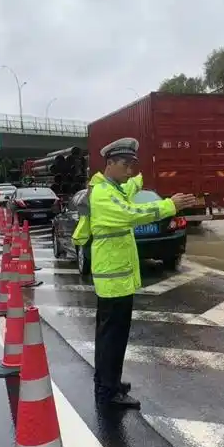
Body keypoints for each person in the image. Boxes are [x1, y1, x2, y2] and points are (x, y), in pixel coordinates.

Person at [72, 137, 196, 409]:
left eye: (132, 166)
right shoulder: (103, 195)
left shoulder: (113, 187)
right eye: (126, 165)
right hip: (113, 281)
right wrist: (170, 205)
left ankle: (108, 382)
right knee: (112, 338)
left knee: (112, 336)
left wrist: (146, 173)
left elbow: (131, 187)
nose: (129, 170)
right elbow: (132, 213)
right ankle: (108, 392)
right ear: (111, 163)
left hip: (118, 278)